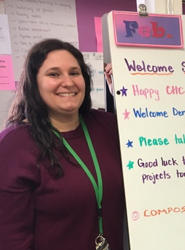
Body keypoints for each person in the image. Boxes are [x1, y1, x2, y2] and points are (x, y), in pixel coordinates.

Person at [0, 39, 125, 250]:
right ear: (34, 82)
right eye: (54, 74)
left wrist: (127, 93)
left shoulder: (108, 125)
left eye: (75, 73)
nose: (68, 82)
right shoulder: (14, 145)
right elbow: (11, 238)